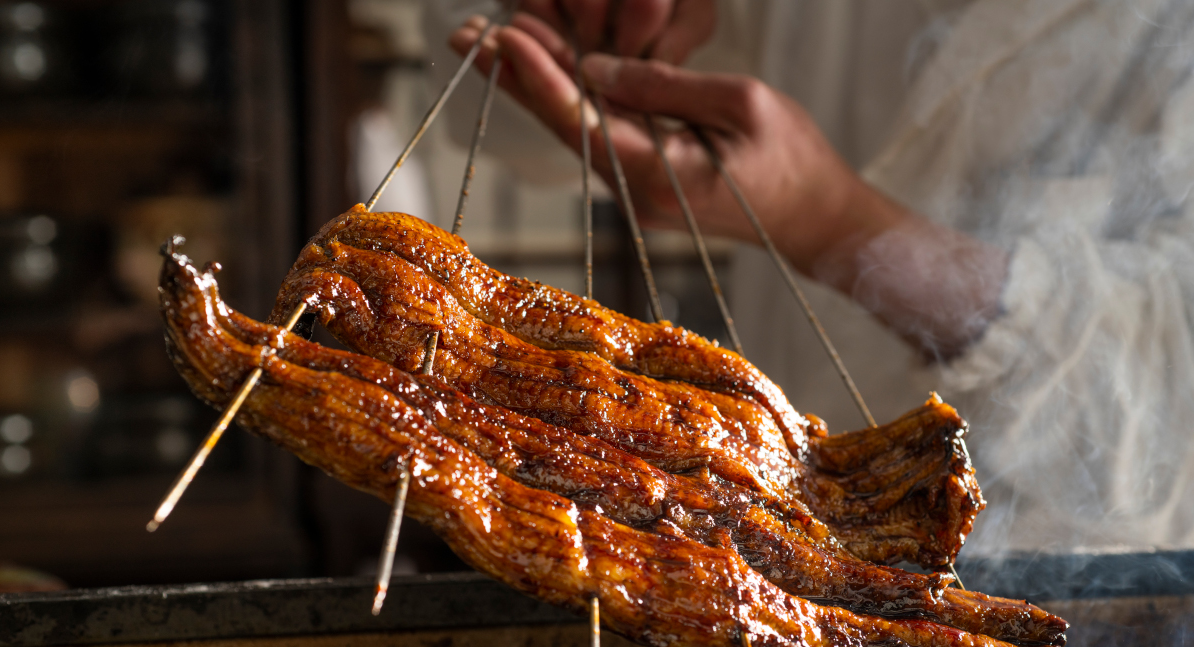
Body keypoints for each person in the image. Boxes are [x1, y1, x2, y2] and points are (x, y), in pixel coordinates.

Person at [441, 0, 1194, 559]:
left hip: (1075, 612)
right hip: (756, 563)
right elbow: (483, 99)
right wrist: (587, 21)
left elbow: (1165, 402)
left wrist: (834, 223)